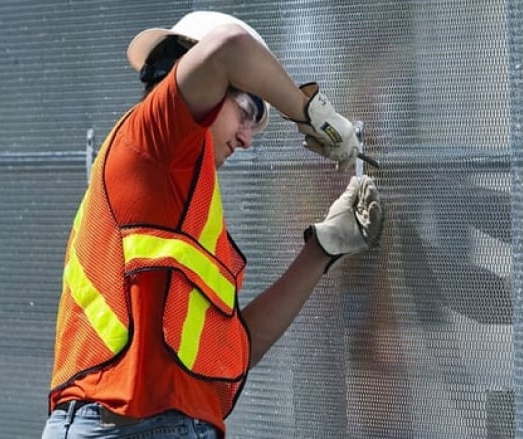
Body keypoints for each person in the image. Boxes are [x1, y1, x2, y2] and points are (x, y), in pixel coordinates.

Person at [41, 10, 384, 439]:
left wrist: (324, 248)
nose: (245, 138)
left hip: (152, 424)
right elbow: (230, 47)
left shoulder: (184, 207)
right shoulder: (151, 137)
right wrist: (313, 114)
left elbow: (237, 350)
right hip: (132, 425)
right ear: (198, 78)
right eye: (247, 111)